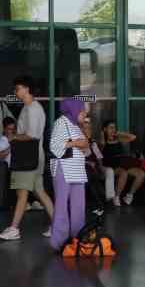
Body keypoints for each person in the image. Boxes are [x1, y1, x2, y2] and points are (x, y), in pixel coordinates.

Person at [0, 76, 53, 241]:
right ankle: (59, 225)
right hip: (33, 157)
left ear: (27, 88)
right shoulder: (29, 108)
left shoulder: (32, 109)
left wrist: (14, 137)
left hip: (28, 158)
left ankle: (14, 228)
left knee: (22, 193)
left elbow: (32, 135)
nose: (16, 91)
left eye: (18, 88)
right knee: (40, 192)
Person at [48, 98, 93, 250]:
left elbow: (86, 149)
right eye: (82, 112)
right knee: (61, 206)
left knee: (78, 206)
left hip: (77, 170)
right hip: (63, 169)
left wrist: (83, 140)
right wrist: (76, 143)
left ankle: (77, 238)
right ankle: (59, 242)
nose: (84, 116)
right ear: (73, 110)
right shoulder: (61, 123)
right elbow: (55, 146)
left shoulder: (76, 125)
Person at [100, 122, 144, 206]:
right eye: (111, 128)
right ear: (105, 129)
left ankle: (129, 195)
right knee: (124, 172)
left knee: (141, 174)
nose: (113, 129)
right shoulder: (103, 141)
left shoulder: (118, 139)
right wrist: (103, 134)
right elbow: (100, 147)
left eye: (114, 128)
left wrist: (119, 133)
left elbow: (133, 137)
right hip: (111, 166)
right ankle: (116, 196)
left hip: (123, 163)